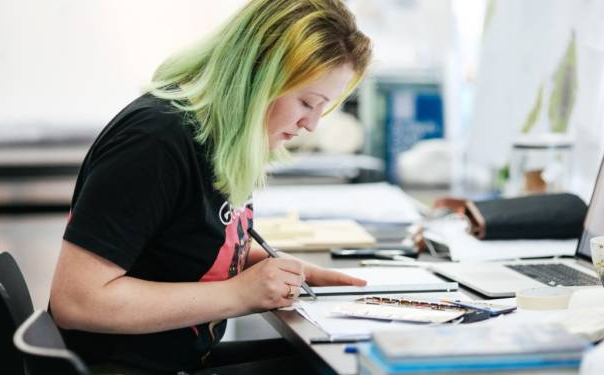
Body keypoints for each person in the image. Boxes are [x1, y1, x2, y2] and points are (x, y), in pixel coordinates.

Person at [48, 0, 372, 373]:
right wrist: (239, 294)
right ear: (259, 75)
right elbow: (77, 302)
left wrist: (266, 266)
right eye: (307, 102)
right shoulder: (155, 142)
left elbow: (176, 243)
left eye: (323, 109)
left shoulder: (219, 139)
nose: (311, 125)